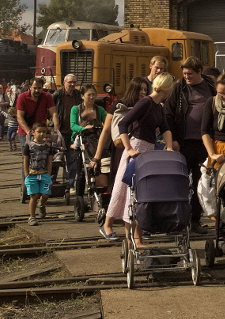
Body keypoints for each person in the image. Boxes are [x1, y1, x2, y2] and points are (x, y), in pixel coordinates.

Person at [103, 74, 174, 242]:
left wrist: (170, 147)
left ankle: (134, 237)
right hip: (137, 149)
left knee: (138, 193)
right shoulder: (146, 102)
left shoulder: (158, 106)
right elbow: (123, 123)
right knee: (131, 193)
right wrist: (128, 148)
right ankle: (133, 238)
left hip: (148, 151)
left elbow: (165, 128)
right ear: (168, 89)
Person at [165, 57, 216, 233]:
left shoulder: (211, 87)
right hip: (183, 143)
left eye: (190, 74)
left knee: (201, 184)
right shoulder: (179, 88)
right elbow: (168, 114)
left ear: (199, 71)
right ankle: (177, 220)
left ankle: (195, 220)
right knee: (179, 182)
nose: (186, 76)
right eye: (184, 73)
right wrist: (173, 140)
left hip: (205, 144)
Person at [69, 84, 107, 195]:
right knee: (81, 170)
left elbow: (108, 122)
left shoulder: (99, 109)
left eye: (93, 94)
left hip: (96, 139)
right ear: (82, 96)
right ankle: (79, 196)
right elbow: (73, 125)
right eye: (89, 95)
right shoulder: (76, 109)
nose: (91, 97)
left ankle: (100, 191)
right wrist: (84, 128)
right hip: (81, 139)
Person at [22, 123, 58, 226]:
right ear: (33, 132)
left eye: (44, 132)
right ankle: (32, 217)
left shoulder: (48, 145)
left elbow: (50, 160)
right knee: (34, 195)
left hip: (44, 174)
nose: (42, 134)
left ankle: (41, 205)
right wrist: (26, 173)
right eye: (39, 132)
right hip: (32, 174)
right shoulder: (29, 145)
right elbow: (25, 159)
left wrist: (49, 173)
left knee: (46, 194)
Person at [53, 74, 82, 185]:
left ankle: (70, 183)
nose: (72, 84)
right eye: (70, 82)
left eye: (74, 82)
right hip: (60, 132)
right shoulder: (57, 94)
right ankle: (52, 182)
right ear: (64, 83)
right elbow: (50, 110)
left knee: (73, 158)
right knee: (56, 158)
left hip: (73, 133)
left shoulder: (78, 95)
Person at [16, 77, 59, 147]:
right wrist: (29, 132)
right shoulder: (22, 97)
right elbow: (19, 117)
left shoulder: (47, 96)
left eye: (39, 88)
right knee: (27, 155)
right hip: (25, 132)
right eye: (34, 88)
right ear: (30, 87)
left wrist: (56, 130)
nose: (37, 90)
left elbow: (54, 113)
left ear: (42, 87)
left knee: (43, 154)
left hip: (42, 133)